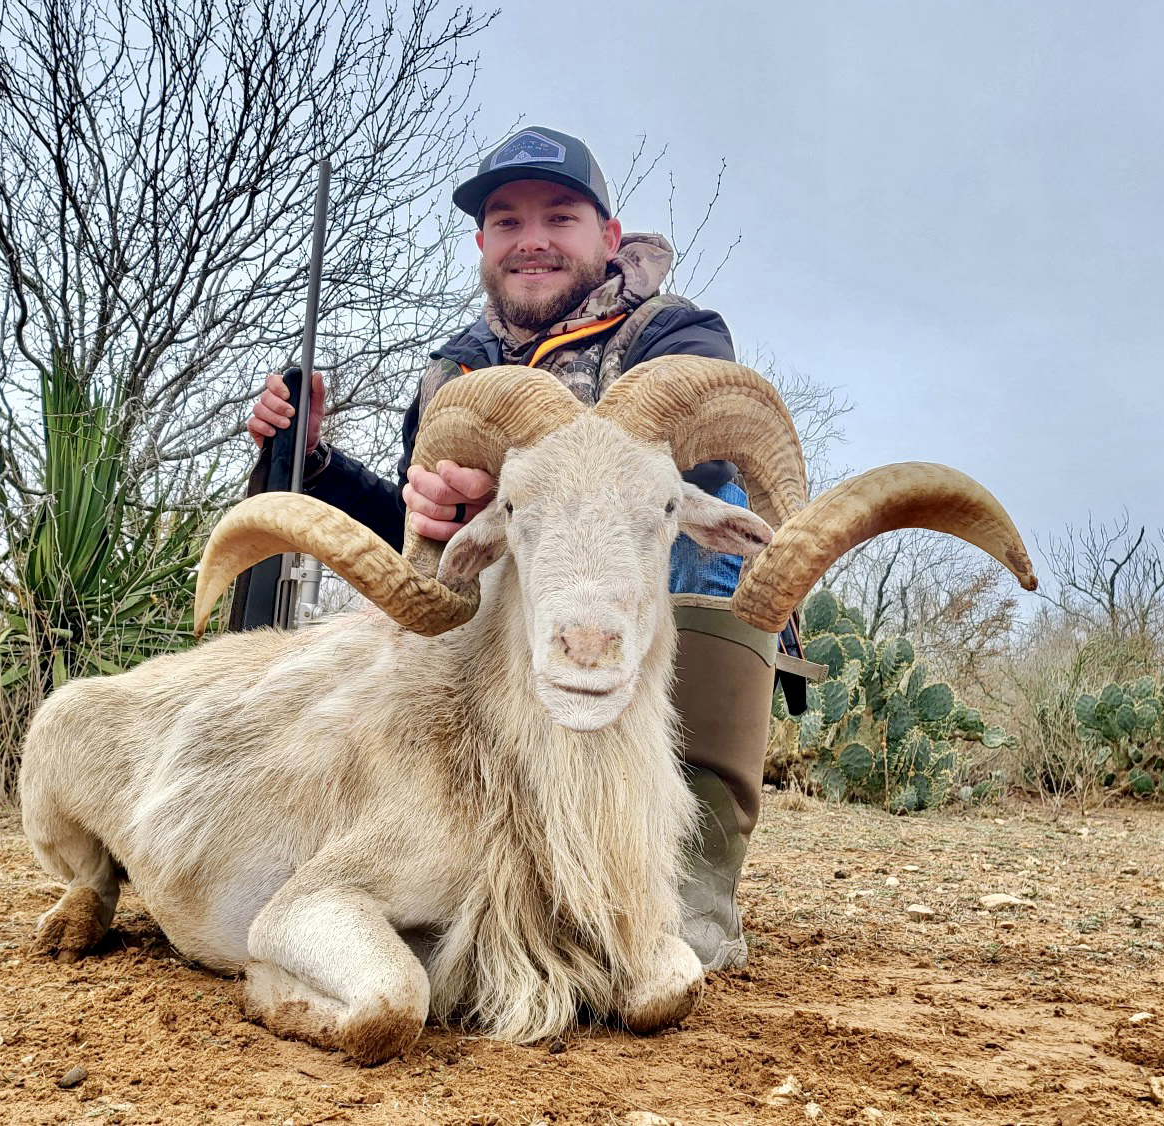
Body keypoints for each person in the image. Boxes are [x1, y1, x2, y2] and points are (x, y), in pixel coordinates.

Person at [244, 126, 805, 971]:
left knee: (689, 512)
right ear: (481, 245)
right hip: (510, 628)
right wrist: (314, 462)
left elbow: (712, 457)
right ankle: (466, 847)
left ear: (607, 238)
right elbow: (415, 529)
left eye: (560, 216)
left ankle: (685, 876)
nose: (532, 238)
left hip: (639, 574)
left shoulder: (674, 333)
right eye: (506, 222)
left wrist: (533, 484)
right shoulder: (455, 374)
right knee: (445, 582)